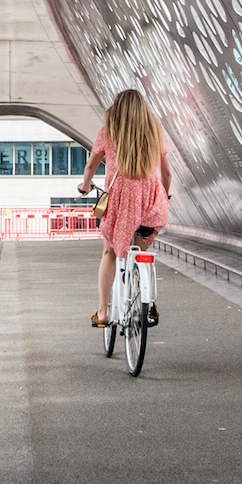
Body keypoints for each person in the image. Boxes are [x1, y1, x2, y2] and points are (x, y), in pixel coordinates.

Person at [75, 88, 173, 328]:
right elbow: (167, 173)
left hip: (120, 202)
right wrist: (165, 196)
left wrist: (84, 187)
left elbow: (90, 167)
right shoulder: (154, 131)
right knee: (142, 252)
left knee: (109, 252)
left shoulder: (109, 132)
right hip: (150, 202)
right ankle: (148, 302)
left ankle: (103, 312)